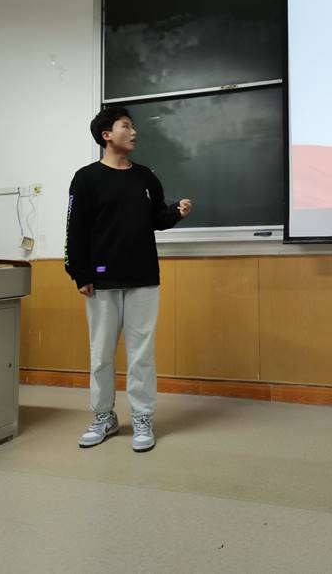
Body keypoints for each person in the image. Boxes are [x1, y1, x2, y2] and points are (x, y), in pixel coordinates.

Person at [64, 106, 192, 452]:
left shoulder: (146, 177)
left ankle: (142, 416)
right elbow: (75, 230)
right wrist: (79, 273)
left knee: (141, 355)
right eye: (126, 126)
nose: (133, 132)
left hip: (143, 277)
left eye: (133, 127)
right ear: (107, 135)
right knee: (101, 354)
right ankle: (103, 416)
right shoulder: (85, 178)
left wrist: (175, 213)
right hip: (101, 280)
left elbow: (156, 219)